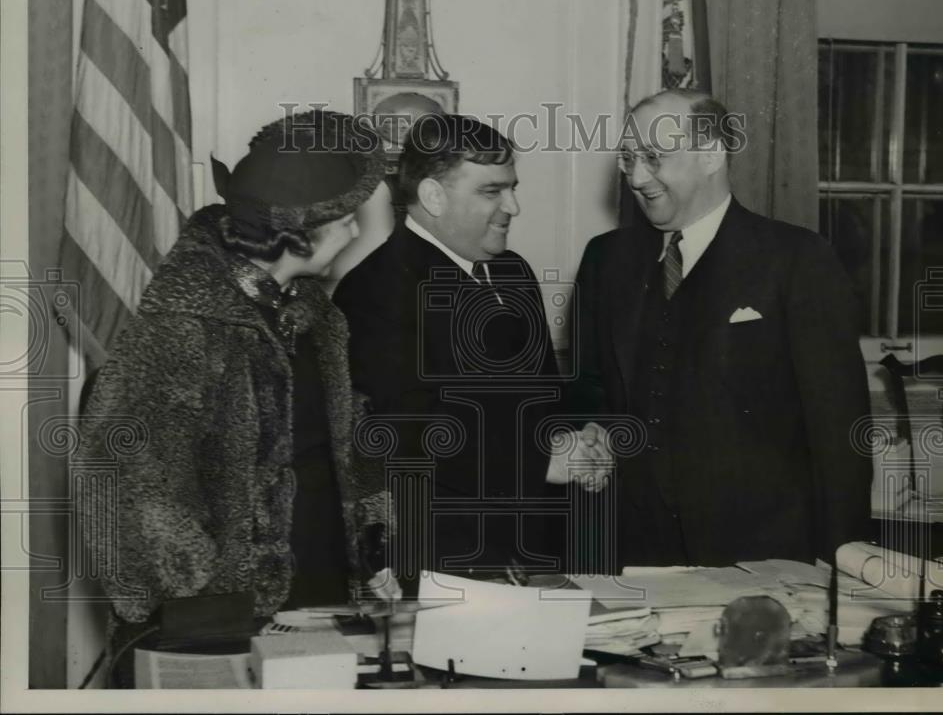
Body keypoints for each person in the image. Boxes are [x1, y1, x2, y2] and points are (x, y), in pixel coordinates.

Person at [78, 111, 394, 681]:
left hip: (323, 594)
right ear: (297, 234)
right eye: (344, 220)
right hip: (214, 626)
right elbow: (124, 482)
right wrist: (206, 596)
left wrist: (371, 540)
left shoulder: (317, 318)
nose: (353, 232)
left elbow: (344, 444)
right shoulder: (182, 327)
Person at [570, 90, 873, 570]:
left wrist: (846, 560)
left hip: (761, 554)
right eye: (629, 159)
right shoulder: (605, 259)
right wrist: (592, 434)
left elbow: (839, 432)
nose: (637, 176)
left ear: (711, 154)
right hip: (630, 547)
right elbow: (588, 388)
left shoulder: (795, 259)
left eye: (655, 158)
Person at [334, 114, 606, 588]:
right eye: (491, 191)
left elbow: (544, 395)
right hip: (444, 554)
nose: (513, 206)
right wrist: (545, 459)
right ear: (433, 196)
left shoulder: (512, 272)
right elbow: (410, 430)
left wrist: (583, 437)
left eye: (512, 187)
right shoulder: (373, 289)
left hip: (533, 542)